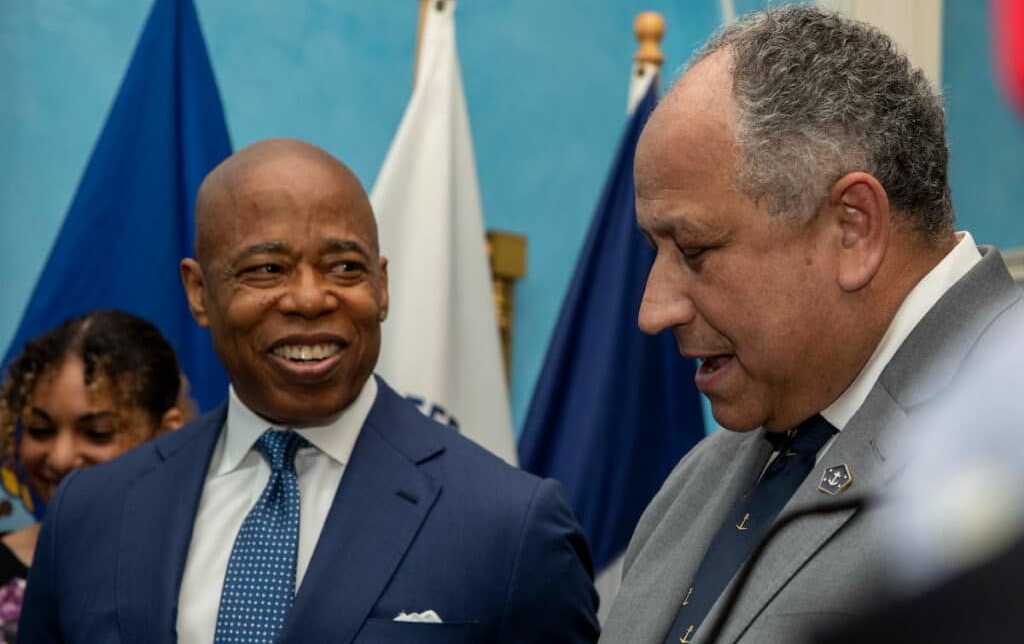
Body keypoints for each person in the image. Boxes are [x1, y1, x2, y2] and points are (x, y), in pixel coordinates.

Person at [20, 138, 600, 643]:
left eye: (344, 267)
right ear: (198, 293)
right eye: (268, 270)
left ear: (382, 287)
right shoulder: (91, 513)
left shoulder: (509, 525)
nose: (310, 298)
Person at [598, 5, 1024, 644]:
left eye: (694, 250)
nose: (653, 311)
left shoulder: (1005, 444)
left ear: (853, 228)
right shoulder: (694, 484)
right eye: (653, 252)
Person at [0, 309, 185, 639]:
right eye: (40, 429)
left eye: (97, 433)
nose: (60, 458)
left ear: (166, 434)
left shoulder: (203, 566)